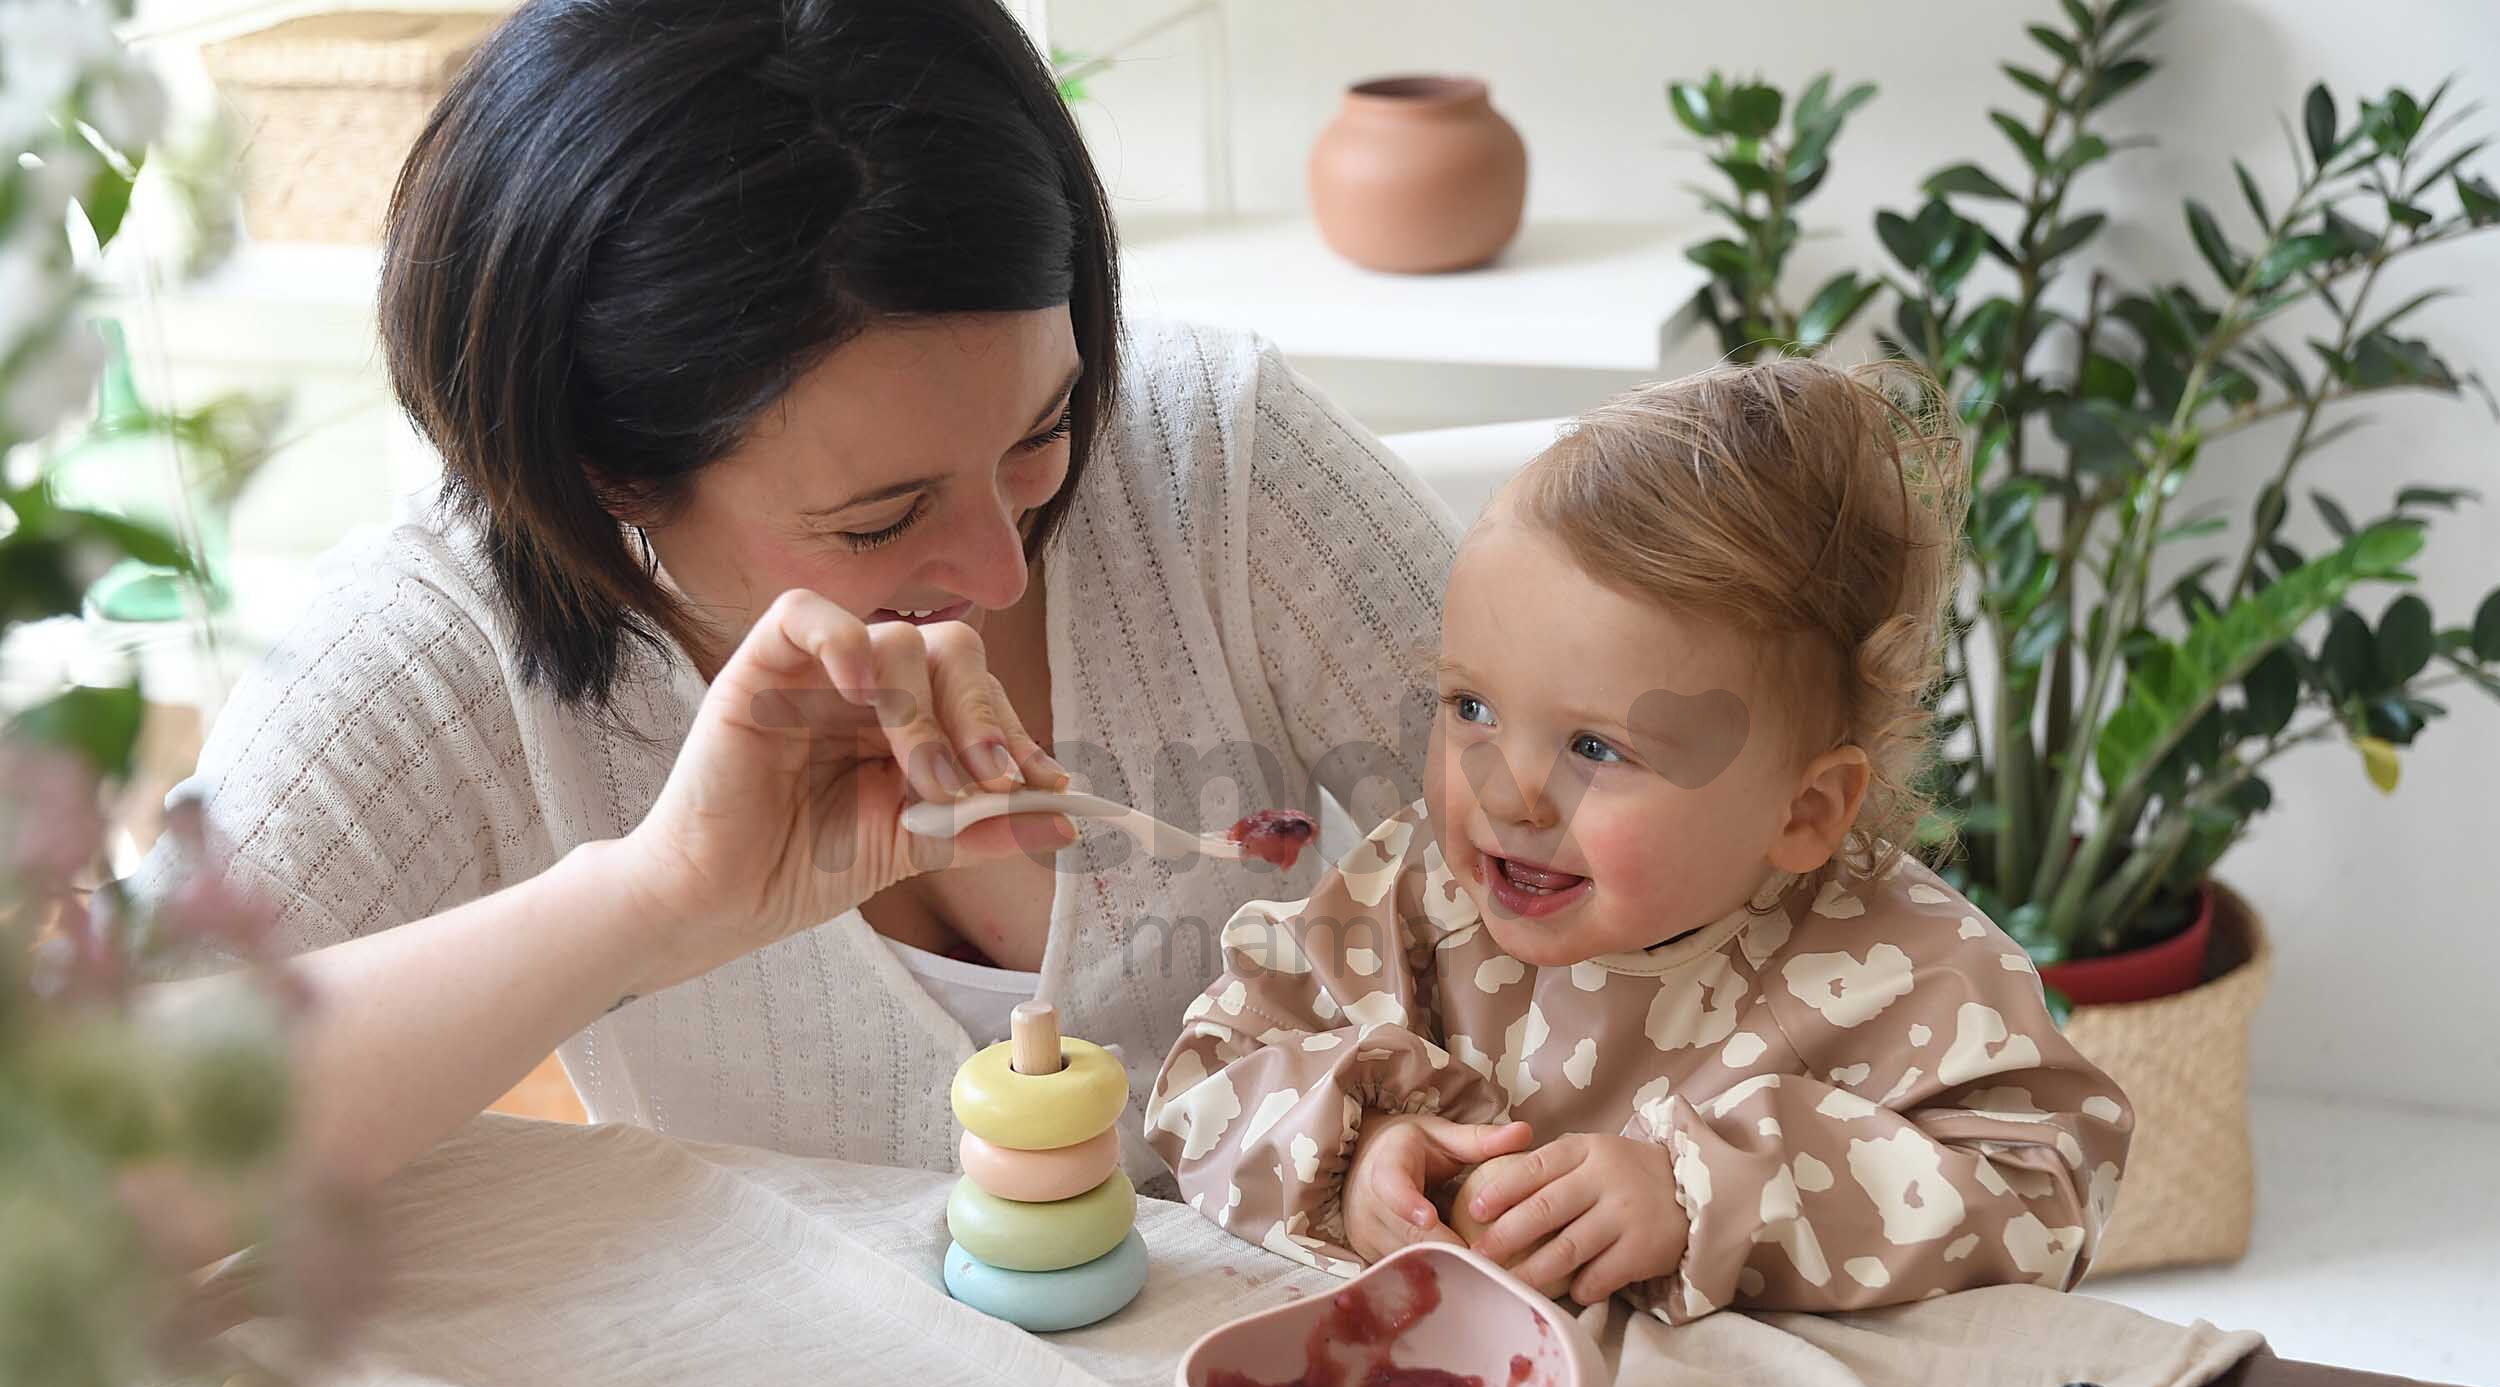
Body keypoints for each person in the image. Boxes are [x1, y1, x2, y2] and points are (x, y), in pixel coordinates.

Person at [131, 0, 1454, 1197]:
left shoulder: (1212, 457)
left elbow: (1564, 826)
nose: (1001, 570)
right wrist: (649, 904)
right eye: (883, 516)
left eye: (1042, 432)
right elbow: (81, 1156)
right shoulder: (445, 647)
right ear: (611, 473)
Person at [1144, 360, 2134, 1320]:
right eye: (1472, 706)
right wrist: (1351, 1158)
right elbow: (1205, 1078)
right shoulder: (1412, 896)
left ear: (1804, 811)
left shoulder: (1905, 980)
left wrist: (1707, 1193)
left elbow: (2044, 1195)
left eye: (1594, 748)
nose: (1508, 793)